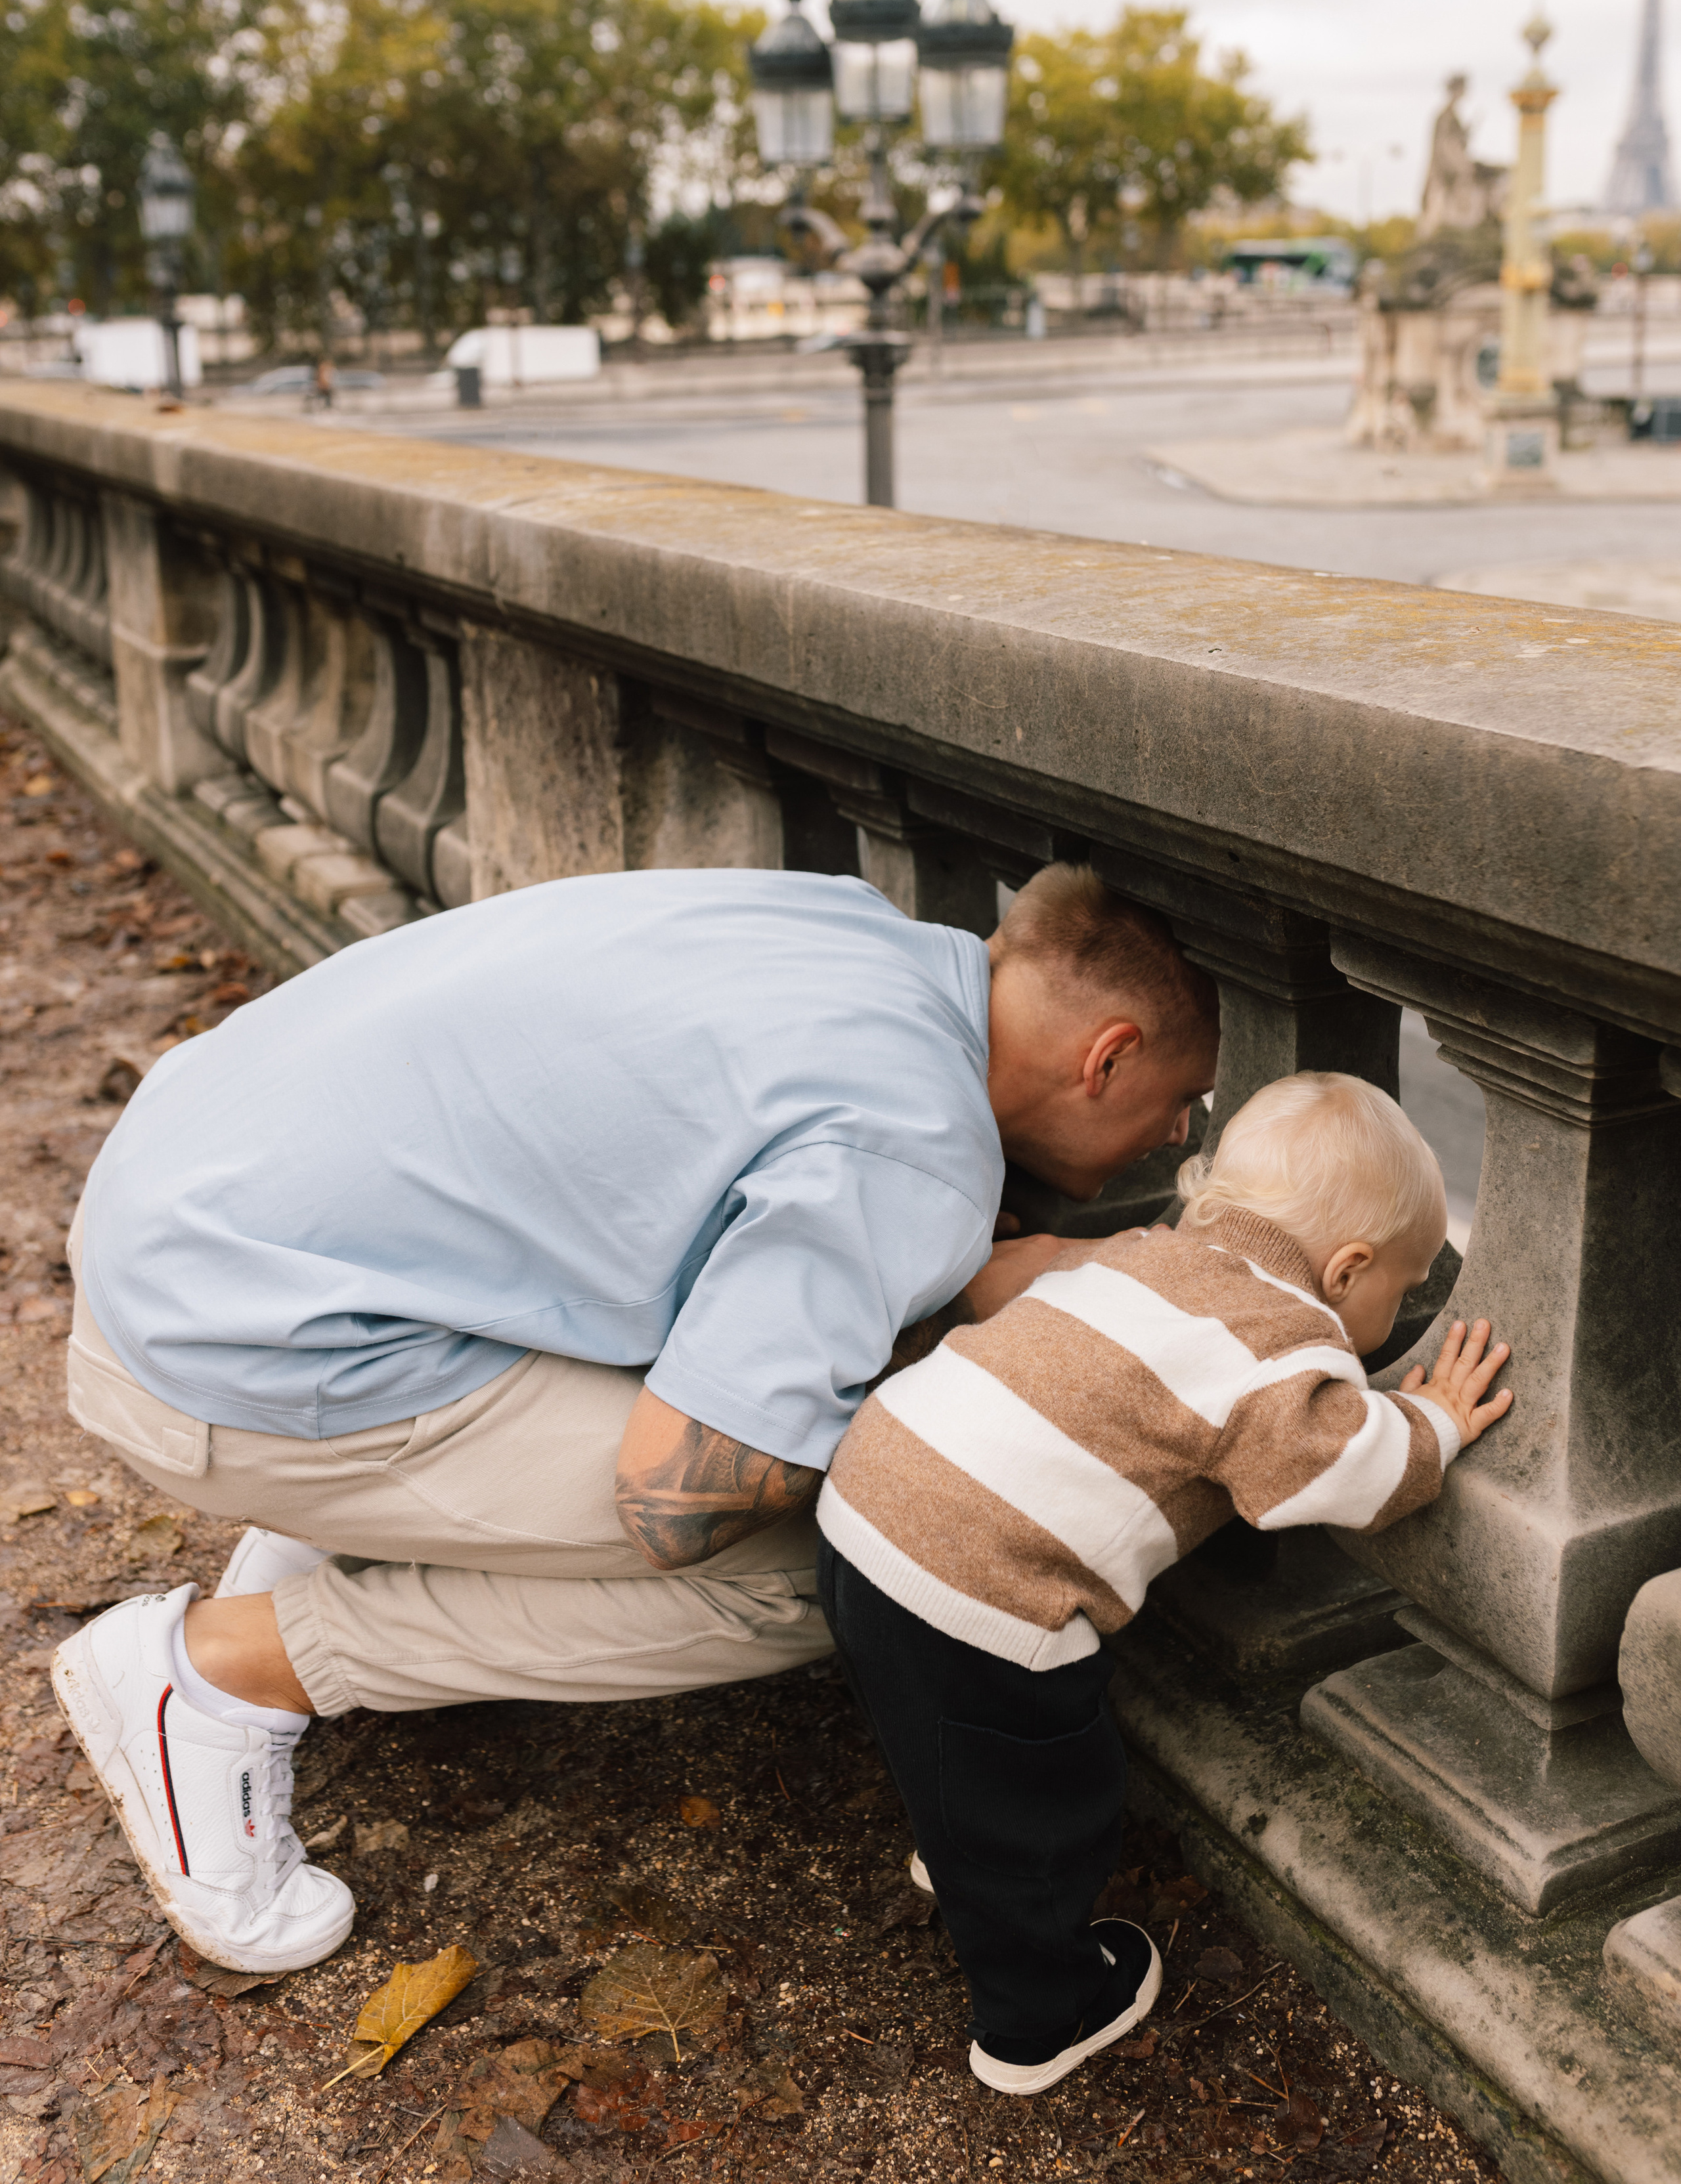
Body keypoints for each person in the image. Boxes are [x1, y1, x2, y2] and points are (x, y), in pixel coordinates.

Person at [51, 863, 1219, 1974]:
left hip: (177, 1210)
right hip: (222, 1362)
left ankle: (339, 1523)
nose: (1178, 1141)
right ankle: (221, 1672)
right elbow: (675, 1505)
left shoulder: (850, 926)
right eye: (1180, 1107)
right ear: (1108, 1058)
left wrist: (942, 1283)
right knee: (856, 1556)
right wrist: (957, 1355)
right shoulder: (919, 1151)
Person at [817, 1071, 1514, 2098]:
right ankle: (1036, 2021)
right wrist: (1437, 1423)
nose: (1397, 1312)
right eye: (1401, 1293)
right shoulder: (1283, 1337)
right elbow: (1335, 1475)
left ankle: (955, 1847)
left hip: (868, 1493)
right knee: (1051, 1795)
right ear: (1346, 1268)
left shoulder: (1144, 1252)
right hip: (980, 1583)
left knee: (936, 1727)